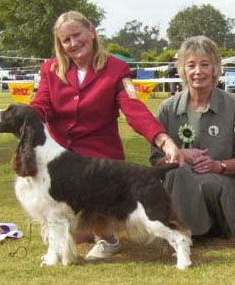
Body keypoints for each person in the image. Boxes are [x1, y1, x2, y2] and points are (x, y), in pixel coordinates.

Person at [30, 10, 183, 261]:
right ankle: (76, 231)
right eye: (65, 40)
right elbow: (41, 105)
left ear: (91, 31)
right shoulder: (50, 69)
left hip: (99, 156)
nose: (72, 44)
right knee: (70, 229)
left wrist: (162, 139)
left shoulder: (117, 69)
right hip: (61, 157)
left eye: (76, 35)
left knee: (89, 221)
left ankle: (108, 239)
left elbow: (134, 109)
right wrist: (24, 116)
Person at [150, 35, 235, 239]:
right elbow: (156, 162)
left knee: (206, 182)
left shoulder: (233, 105)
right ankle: (184, 233)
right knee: (175, 173)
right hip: (180, 185)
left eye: (205, 64)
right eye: (191, 65)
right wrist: (179, 155)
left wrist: (220, 166)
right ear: (183, 70)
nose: (198, 72)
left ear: (215, 69)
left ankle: (191, 232)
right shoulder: (167, 108)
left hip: (223, 185)